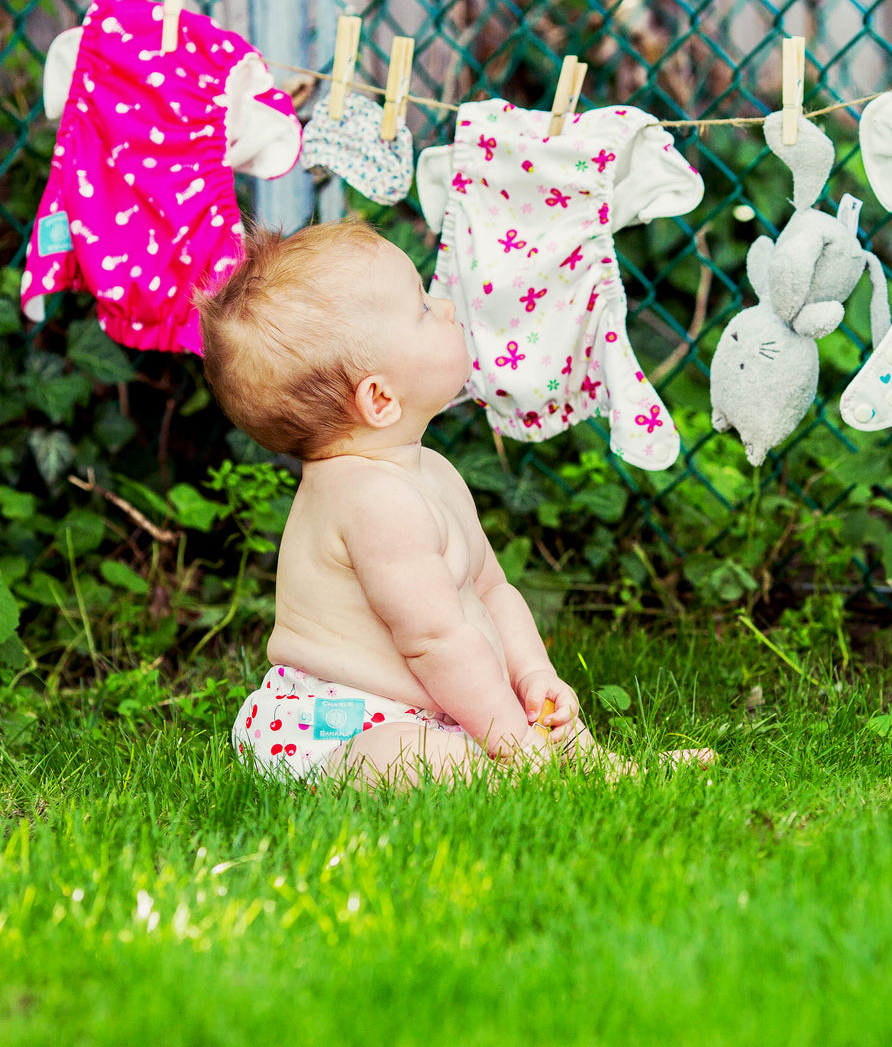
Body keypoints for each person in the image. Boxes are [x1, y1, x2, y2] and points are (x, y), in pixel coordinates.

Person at [197, 220, 710, 789]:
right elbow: (434, 641)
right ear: (380, 398)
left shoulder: (430, 471)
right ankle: (524, 772)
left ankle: (599, 769)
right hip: (339, 727)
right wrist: (511, 741)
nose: (443, 305)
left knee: (516, 721)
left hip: (440, 705)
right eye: (420, 306)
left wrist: (532, 675)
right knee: (406, 759)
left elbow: (491, 591)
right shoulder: (371, 501)